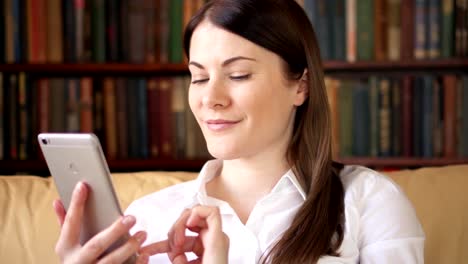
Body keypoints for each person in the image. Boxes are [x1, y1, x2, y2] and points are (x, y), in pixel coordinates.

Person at [53, 0, 425, 263]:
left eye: (238, 75)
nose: (210, 98)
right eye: (198, 77)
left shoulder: (369, 202)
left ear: (301, 86)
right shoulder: (147, 220)